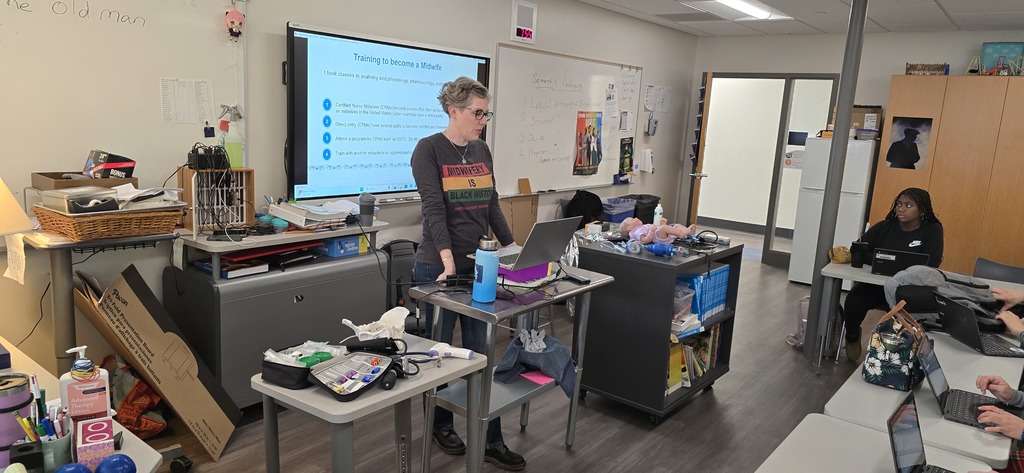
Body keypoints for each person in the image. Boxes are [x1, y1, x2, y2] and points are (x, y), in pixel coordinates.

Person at [409, 76, 526, 471]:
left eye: (485, 112)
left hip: (478, 266)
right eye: (477, 113)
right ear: (453, 111)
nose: (482, 120)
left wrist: (511, 247)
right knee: (438, 354)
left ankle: (491, 436)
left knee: (480, 354)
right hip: (436, 268)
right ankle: (441, 424)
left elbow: (491, 204)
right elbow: (433, 210)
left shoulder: (481, 149)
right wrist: (446, 259)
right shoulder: (428, 150)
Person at [842, 188, 943, 361]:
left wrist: (890, 262)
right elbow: (858, 249)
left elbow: (931, 263)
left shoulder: (932, 230)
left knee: (900, 317)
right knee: (853, 301)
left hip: (907, 289)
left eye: (908, 205)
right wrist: (881, 261)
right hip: (875, 285)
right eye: (899, 204)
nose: (901, 209)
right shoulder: (885, 226)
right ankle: (851, 335)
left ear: (922, 210)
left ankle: (892, 355)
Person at [619, 217, 696, 244]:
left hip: (660, 235)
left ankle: (687, 231)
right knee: (664, 228)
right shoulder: (636, 231)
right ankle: (682, 233)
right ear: (630, 228)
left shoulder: (642, 227)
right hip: (659, 239)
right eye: (632, 219)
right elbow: (645, 240)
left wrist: (661, 224)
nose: (635, 218)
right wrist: (652, 231)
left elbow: (656, 229)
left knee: (676, 225)